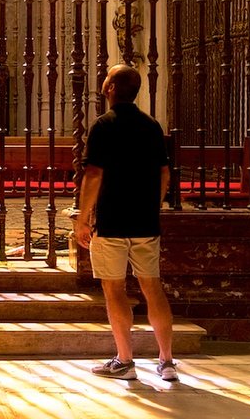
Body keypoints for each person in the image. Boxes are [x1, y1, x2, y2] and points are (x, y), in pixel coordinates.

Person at [74, 63, 177, 383]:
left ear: (109, 89)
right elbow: (164, 173)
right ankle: (167, 360)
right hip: (145, 221)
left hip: (112, 220)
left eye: (105, 80)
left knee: (114, 289)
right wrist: (153, 205)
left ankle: (125, 359)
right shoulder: (151, 126)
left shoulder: (103, 126)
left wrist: (81, 217)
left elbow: (93, 175)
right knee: (152, 288)